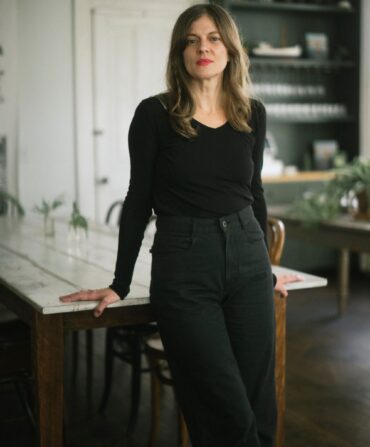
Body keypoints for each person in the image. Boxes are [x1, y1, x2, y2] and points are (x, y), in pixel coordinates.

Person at [60, 4, 301, 446]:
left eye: (212, 38)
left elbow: (255, 192)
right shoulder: (154, 114)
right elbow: (138, 201)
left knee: (258, 408)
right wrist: (120, 282)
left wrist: (265, 266)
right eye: (191, 40)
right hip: (184, 266)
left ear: (231, 49)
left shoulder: (252, 112)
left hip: (248, 258)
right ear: (179, 53)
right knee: (222, 408)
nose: (202, 47)